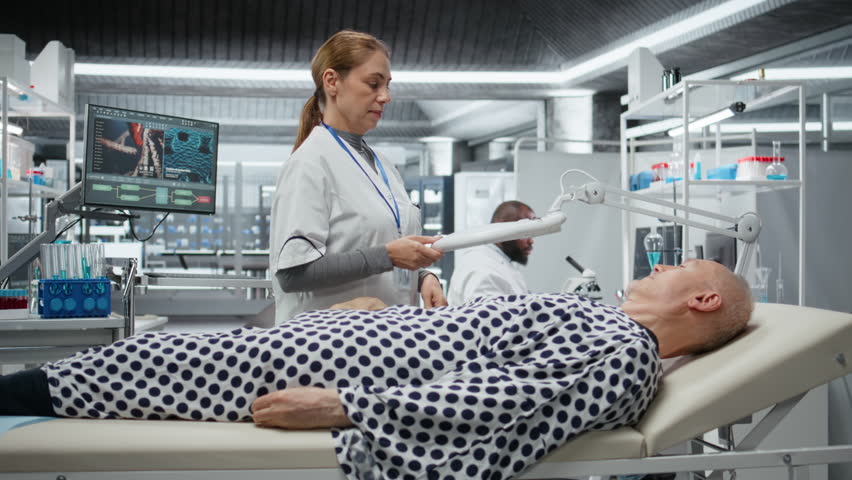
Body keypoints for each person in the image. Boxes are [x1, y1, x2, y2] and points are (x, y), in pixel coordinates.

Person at [0, 259, 752, 480]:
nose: (655, 269)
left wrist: (346, 405)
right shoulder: (610, 327)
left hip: (337, 374)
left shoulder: (625, 351)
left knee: (145, 367)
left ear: (703, 298)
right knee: (143, 362)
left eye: (674, 269)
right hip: (345, 343)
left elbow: (500, 399)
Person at [269, 30, 446, 323]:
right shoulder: (310, 164)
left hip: (389, 338)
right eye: (373, 84)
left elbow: (393, 243)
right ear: (332, 82)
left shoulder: (384, 166)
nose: (386, 97)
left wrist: (425, 276)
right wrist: (387, 257)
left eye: (388, 86)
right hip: (329, 348)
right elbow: (291, 274)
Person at [447, 200, 536, 305]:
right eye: (526, 232)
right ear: (503, 228)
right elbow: (487, 319)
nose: (531, 241)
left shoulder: (498, 262)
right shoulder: (482, 268)